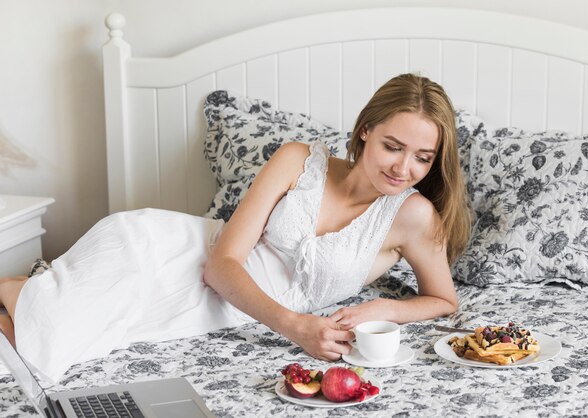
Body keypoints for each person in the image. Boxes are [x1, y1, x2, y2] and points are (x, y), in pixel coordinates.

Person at [0, 73, 471, 383]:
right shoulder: (297, 160)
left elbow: (443, 300)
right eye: (393, 146)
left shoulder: (412, 216)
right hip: (168, 250)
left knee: (51, 342)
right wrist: (294, 327)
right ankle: (17, 291)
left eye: (423, 158)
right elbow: (221, 264)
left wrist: (386, 307)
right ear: (366, 129)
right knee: (39, 344)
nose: (403, 167)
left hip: (224, 308)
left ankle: (18, 290)